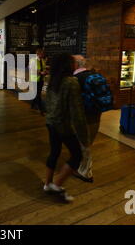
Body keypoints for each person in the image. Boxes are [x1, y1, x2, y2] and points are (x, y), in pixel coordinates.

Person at [44, 53, 87, 202]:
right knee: (77, 155)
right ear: (67, 65)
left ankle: (48, 184)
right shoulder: (71, 82)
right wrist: (84, 135)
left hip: (50, 122)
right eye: (73, 62)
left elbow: (46, 102)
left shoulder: (51, 80)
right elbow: (77, 111)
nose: (75, 65)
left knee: (54, 152)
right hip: (63, 125)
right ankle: (57, 184)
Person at [72, 55, 102, 183]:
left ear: (75, 64)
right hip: (96, 114)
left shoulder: (75, 79)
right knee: (87, 142)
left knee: (84, 143)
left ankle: (86, 172)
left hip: (82, 115)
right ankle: (82, 167)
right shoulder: (94, 75)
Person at [30, 48, 47, 114]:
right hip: (35, 79)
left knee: (37, 93)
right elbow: (33, 70)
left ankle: (33, 105)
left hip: (41, 79)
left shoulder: (42, 60)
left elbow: (43, 68)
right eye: (42, 53)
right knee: (38, 94)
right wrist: (41, 73)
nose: (43, 54)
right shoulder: (33, 60)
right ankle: (41, 109)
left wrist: (45, 71)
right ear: (38, 53)